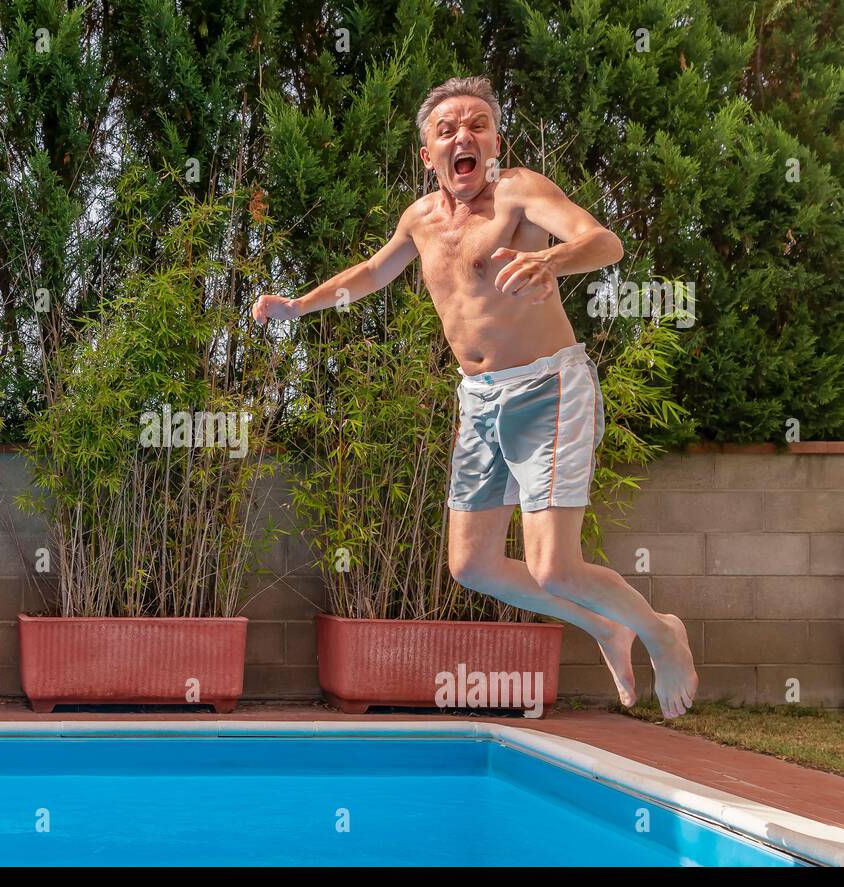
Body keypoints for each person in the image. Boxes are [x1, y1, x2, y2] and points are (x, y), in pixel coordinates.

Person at [253, 75, 697, 718]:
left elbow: (604, 242)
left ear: (493, 142)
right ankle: (605, 624)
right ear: (427, 153)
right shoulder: (421, 220)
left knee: (554, 568)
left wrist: (553, 260)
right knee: (473, 565)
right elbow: (373, 273)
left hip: (549, 388)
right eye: (447, 129)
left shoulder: (518, 192)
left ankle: (661, 631)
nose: (464, 136)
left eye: (478, 125)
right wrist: (300, 305)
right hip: (480, 399)